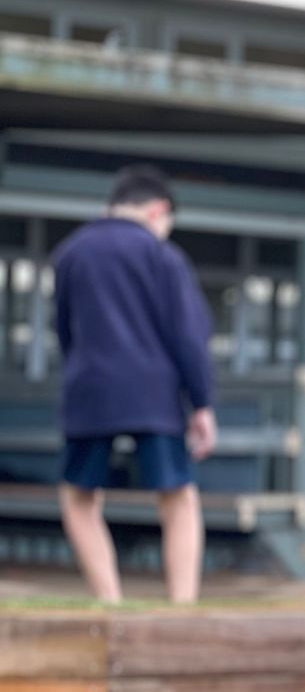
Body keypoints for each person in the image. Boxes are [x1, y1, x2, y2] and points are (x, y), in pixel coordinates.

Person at [52, 164, 217, 604]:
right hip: (154, 394)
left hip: (90, 390)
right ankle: (182, 604)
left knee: (79, 497)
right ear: (158, 211)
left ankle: (110, 601)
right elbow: (188, 336)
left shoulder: (71, 252)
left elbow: (63, 330)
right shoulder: (162, 257)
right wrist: (202, 403)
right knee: (178, 499)